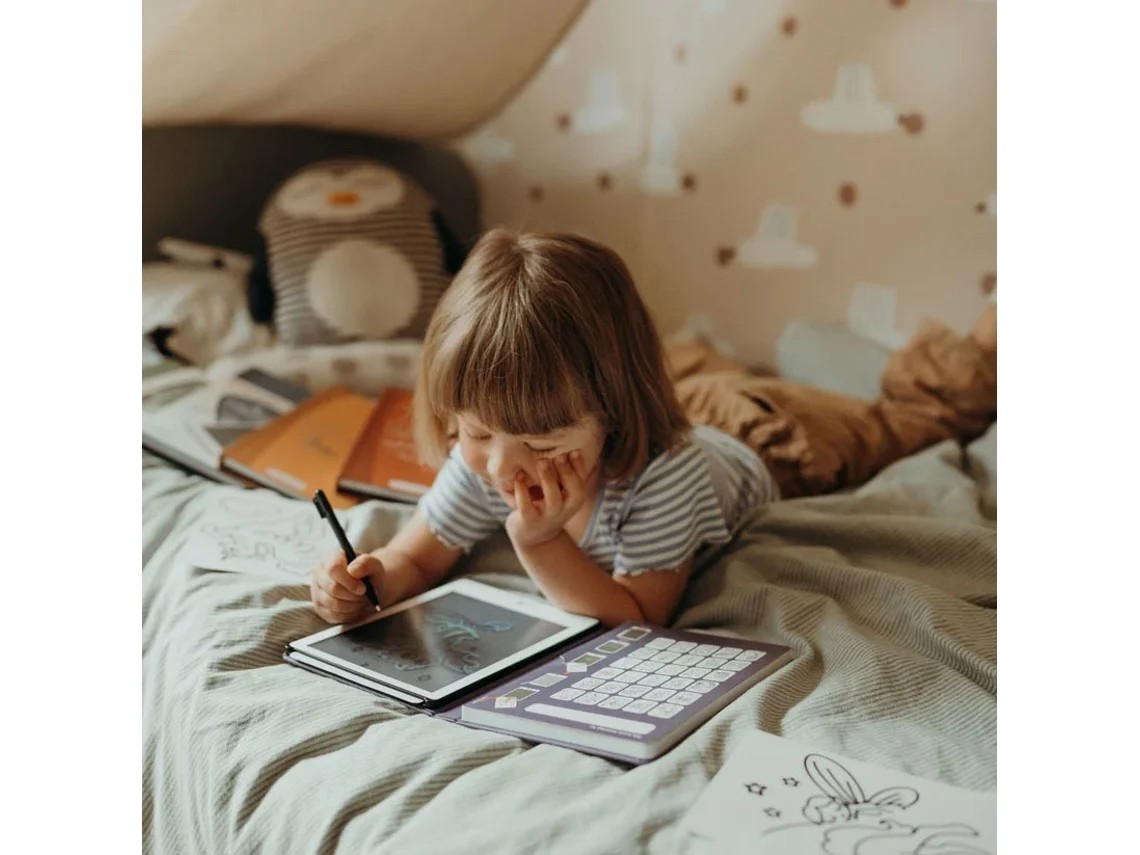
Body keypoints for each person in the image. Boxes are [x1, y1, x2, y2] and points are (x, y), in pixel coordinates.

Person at [310, 229, 996, 627]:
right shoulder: (488, 456)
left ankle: (988, 342)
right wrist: (364, 585)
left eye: (542, 444)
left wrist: (540, 543)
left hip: (772, 437)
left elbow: (636, 616)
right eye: (476, 432)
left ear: (611, 410)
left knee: (910, 422)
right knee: (695, 368)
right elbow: (416, 559)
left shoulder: (664, 476)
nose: (500, 468)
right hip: (680, 397)